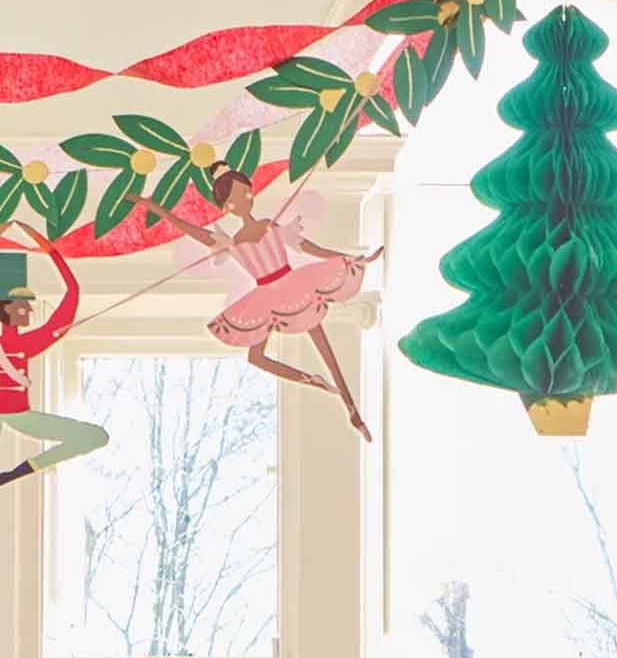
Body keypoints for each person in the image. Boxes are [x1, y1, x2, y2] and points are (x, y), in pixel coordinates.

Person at [143, 165, 379, 440]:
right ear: (226, 207)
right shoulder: (231, 242)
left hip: (294, 283)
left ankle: (352, 411)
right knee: (256, 357)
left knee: (324, 347)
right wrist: (156, 209)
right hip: (266, 295)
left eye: (246, 193)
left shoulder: (269, 225)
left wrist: (353, 258)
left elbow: (309, 247)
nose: (245, 200)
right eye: (236, 199)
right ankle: (312, 380)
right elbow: (192, 231)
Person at [0, 229, 109, 494]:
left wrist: (53, 253)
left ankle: (16, 473)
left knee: (94, 436)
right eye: (22, 306)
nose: (29, 310)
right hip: (15, 414)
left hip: (19, 415)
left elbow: (72, 293)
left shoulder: (26, 343)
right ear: (6, 308)